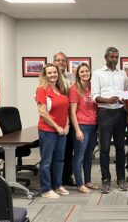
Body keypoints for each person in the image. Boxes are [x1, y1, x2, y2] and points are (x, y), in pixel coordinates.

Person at [91, 47, 128, 194]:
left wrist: (125, 102)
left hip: (120, 114)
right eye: (111, 57)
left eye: (116, 57)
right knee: (105, 148)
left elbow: (127, 93)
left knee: (120, 148)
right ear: (105, 57)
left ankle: (121, 179)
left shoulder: (123, 74)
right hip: (105, 113)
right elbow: (94, 96)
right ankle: (105, 180)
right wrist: (108, 100)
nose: (114, 59)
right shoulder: (97, 73)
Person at [36, 63, 70, 198]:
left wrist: (67, 125)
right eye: (49, 73)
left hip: (62, 131)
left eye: (54, 72)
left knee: (59, 160)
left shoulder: (61, 89)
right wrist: (57, 127)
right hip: (48, 130)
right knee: (46, 162)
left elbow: (65, 110)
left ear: (58, 73)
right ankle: (46, 189)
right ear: (45, 75)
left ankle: (57, 185)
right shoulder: (42, 90)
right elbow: (43, 113)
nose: (52, 75)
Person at [69, 63, 99, 194]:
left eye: (86, 71)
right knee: (79, 156)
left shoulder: (94, 87)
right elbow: (72, 112)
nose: (85, 73)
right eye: (82, 72)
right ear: (78, 74)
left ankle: (88, 181)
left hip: (93, 126)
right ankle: (80, 183)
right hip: (81, 125)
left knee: (88, 156)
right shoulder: (74, 89)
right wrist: (77, 130)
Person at [53, 52, 75, 186]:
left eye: (63, 60)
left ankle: (66, 177)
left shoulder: (70, 77)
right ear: (54, 62)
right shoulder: (49, 78)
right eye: (58, 60)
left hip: (69, 119)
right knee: (55, 152)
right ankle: (55, 179)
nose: (61, 62)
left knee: (68, 150)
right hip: (55, 119)